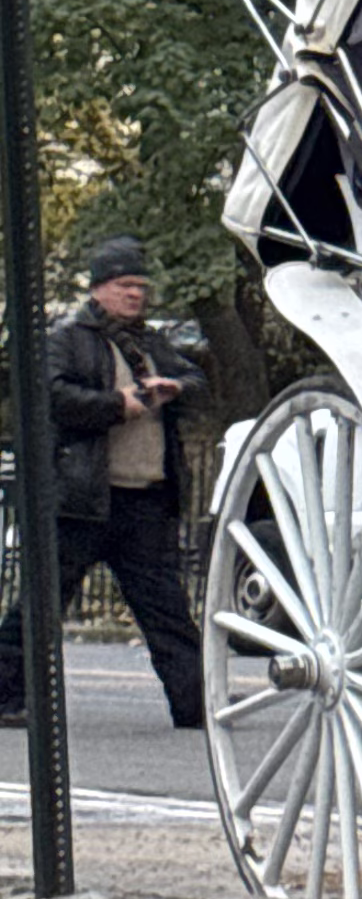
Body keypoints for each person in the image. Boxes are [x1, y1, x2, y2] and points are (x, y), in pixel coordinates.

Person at [0, 235, 206, 733]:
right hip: (80, 499)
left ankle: (197, 708)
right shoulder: (68, 337)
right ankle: (8, 699)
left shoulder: (152, 343)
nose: (135, 295)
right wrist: (121, 405)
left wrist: (172, 387)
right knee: (41, 605)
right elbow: (49, 396)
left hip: (144, 501)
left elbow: (196, 378)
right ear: (99, 290)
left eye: (140, 286)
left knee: (169, 613)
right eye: (124, 285)